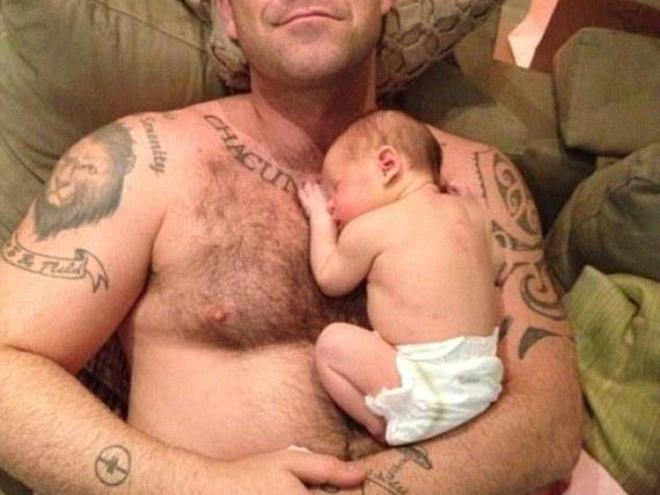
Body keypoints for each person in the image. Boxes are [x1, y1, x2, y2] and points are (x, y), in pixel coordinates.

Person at [0, 0, 583, 494]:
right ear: (229, 14)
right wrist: (202, 486)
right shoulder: (145, 161)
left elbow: (552, 419)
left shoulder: (477, 179)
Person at [297, 109, 505, 447]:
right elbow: (497, 266)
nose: (332, 204)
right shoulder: (471, 214)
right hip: (482, 378)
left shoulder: (371, 227)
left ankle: (378, 425)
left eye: (336, 188)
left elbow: (329, 278)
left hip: (422, 384)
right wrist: (476, 207)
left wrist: (319, 219)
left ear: (387, 165)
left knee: (331, 345)